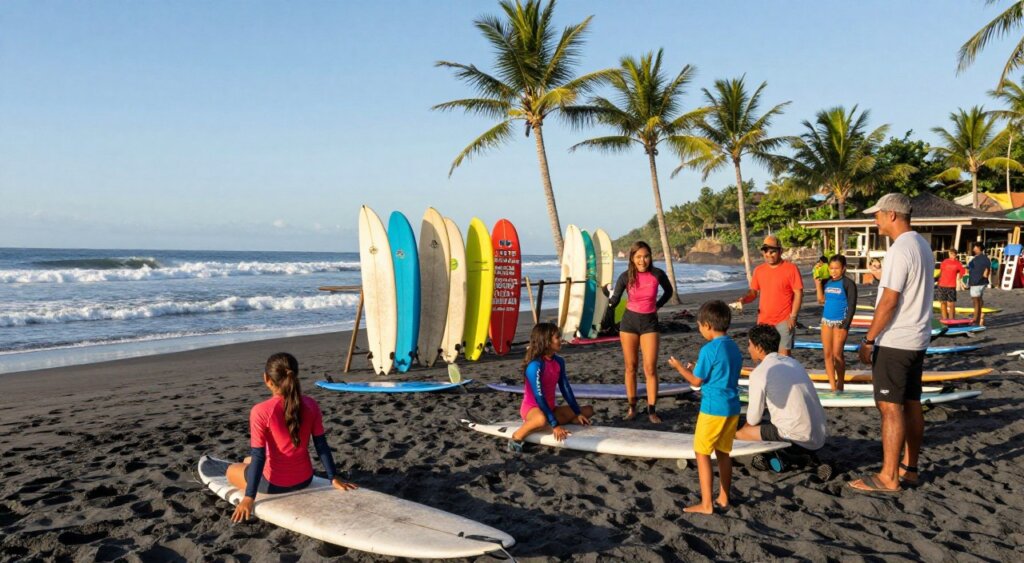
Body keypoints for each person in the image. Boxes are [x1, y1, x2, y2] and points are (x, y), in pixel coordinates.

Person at [850, 193, 933, 494]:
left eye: (878, 215)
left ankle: (888, 476)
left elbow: (889, 300)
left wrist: (869, 340)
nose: (875, 220)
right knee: (911, 403)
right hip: (917, 338)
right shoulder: (922, 245)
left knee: (890, 407)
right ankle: (909, 469)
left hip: (896, 340)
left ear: (892, 215)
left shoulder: (900, 249)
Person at [227, 353, 357, 522]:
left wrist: (249, 497)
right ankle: (247, 465)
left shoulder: (260, 411)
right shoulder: (311, 404)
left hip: (272, 485)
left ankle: (243, 472)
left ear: (267, 379)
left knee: (231, 470)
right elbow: (321, 445)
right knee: (247, 459)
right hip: (305, 479)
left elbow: (259, 456)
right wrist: (333, 477)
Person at [667, 300, 742, 514]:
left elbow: (696, 382)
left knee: (701, 453)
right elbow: (718, 372)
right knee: (723, 453)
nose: (700, 329)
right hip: (732, 406)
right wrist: (695, 367)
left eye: (700, 326)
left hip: (713, 408)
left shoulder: (709, 349)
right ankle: (724, 498)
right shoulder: (732, 345)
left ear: (708, 325)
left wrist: (680, 368)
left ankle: (707, 503)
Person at [607, 241, 674, 423]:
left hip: (650, 323)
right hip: (629, 323)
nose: (642, 260)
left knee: (650, 368)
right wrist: (607, 297)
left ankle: (652, 410)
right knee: (630, 367)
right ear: (632, 258)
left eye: (645, 256)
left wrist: (657, 306)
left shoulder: (657, 274)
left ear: (650, 257)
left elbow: (669, 292)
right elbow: (615, 299)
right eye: (638, 257)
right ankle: (632, 408)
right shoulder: (625, 277)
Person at [735, 324, 828, 452]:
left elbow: (753, 418)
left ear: (759, 348)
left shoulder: (760, 372)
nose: (748, 348)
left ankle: (787, 457)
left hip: (798, 439)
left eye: (750, 344)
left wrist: (744, 430)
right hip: (820, 437)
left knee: (740, 435)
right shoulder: (792, 362)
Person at [508, 322, 594, 453]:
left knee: (588, 411)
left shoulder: (559, 361)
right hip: (532, 409)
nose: (560, 340)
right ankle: (517, 437)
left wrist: (577, 412)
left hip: (550, 409)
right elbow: (539, 397)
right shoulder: (534, 365)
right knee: (541, 419)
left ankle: (545, 424)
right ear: (547, 341)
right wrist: (555, 425)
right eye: (557, 337)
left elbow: (565, 388)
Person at [732, 235, 803, 355]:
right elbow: (753, 292)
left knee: (784, 358)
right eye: (765, 251)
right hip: (763, 321)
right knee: (764, 356)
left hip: (784, 321)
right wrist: (744, 299)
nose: (768, 254)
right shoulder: (759, 270)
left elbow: (798, 293)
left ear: (780, 251)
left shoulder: (791, 269)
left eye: (772, 251)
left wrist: (793, 317)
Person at [817, 255, 857, 391]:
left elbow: (852, 306)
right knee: (827, 354)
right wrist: (817, 283)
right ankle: (832, 386)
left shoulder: (848, 284)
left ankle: (840, 383)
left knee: (837, 355)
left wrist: (846, 324)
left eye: (836, 268)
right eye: (831, 268)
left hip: (841, 322)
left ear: (843, 268)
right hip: (826, 322)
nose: (833, 271)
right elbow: (821, 300)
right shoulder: (826, 282)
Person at [935, 249, 966, 321]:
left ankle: (952, 320)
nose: (952, 255)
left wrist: (959, 278)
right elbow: (941, 272)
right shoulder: (944, 262)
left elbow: (963, 271)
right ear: (949, 254)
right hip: (942, 285)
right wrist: (938, 282)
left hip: (951, 286)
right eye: (951, 254)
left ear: (956, 255)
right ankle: (945, 319)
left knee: (951, 304)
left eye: (954, 254)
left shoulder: (958, 263)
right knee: (943, 303)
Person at [967, 242, 991, 326]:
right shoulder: (983, 258)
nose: (973, 249)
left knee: (975, 301)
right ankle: (979, 319)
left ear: (978, 248)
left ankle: (976, 321)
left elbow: (987, 270)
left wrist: (984, 275)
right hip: (980, 281)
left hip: (977, 281)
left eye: (975, 247)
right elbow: (987, 269)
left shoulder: (979, 259)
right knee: (979, 300)